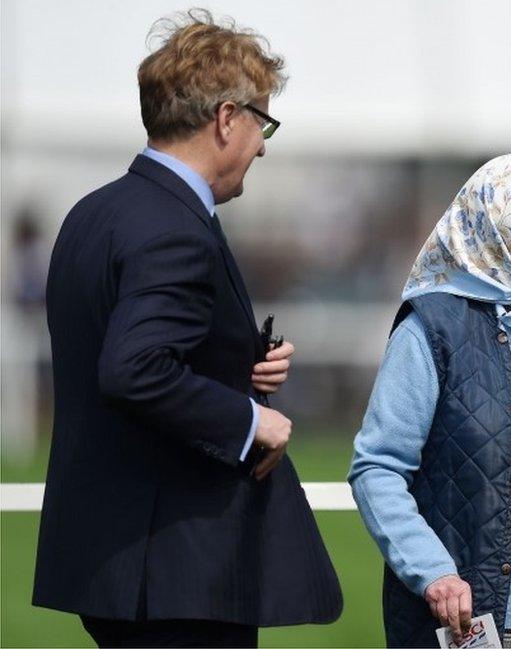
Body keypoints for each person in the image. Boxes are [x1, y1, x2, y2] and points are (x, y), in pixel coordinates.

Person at [32, 11, 342, 647]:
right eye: (263, 122)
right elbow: (133, 368)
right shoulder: (174, 227)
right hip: (177, 572)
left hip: (115, 563)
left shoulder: (95, 212)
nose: (262, 144)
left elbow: (130, 347)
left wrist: (238, 364)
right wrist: (252, 420)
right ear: (228, 119)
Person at [349, 152, 511, 648]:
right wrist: (433, 572)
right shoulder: (432, 331)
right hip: (477, 623)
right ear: (508, 230)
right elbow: (378, 468)